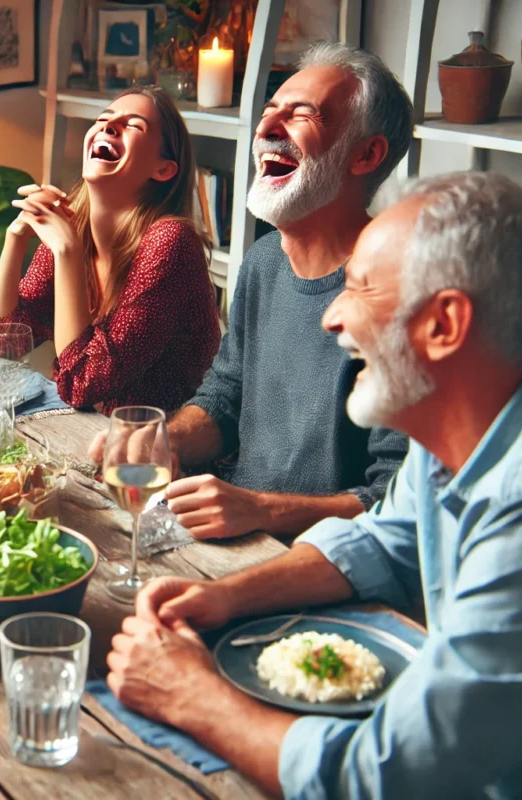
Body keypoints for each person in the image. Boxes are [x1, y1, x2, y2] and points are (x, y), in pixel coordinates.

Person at [107, 172, 522, 798]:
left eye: (358, 288)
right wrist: (224, 599)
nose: (330, 318)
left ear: (445, 324)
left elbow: (379, 778)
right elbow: (378, 544)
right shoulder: (465, 420)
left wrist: (188, 694)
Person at [94, 43, 411, 540]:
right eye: (268, 113)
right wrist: (162, 440)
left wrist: (263, 510)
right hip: (229, 536)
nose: (266, 129)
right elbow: (226, 397)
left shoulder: (403, 293)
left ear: (366, 154)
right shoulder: (263, 262)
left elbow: (398, 498)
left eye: (302, 114)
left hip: (319, 561)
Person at [0, 85, 220, 412]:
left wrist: (68, 253)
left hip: (166, 449)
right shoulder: (74, 225)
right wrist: (16, 237)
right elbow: (1, 340)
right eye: (103, 119)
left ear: (163, 169)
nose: (108, 126)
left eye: (134, 125)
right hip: (96, 434)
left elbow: (81, 382)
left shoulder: (170, 241)